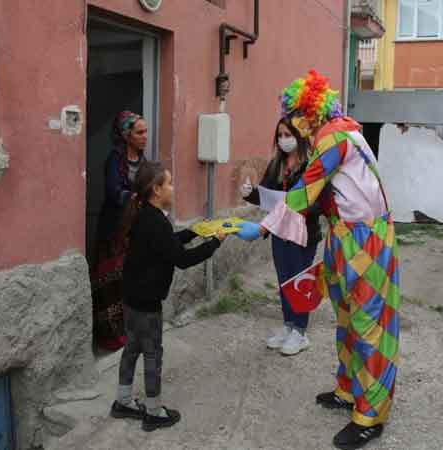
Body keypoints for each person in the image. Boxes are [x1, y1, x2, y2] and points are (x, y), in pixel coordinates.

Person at [235, 70, 400, 450]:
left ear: (310, 113)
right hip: (344, 237)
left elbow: (303, 192)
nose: (293, 128)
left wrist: (260, 229)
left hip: (366, 240)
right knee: (347, 319)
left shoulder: (336, 137)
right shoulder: (335, 136)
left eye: (296, 118)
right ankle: (348, 390)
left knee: (369, 324)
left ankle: (371, 415)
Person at [110, 161, 226, 432]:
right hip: (147, 302)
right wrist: (214, 243)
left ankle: (123, 401)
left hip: (132, 296)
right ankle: (153, 411)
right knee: (152, 354)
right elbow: (182, 259)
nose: (173, 188)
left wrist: (193, 231)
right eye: (169, 183)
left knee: (132, 348)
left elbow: (167, 243)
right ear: (156, 189)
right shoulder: (155, 221)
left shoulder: (144, 214)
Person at [240, 117, 322, 356]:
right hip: (279, 232)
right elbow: (266, 196)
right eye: (280, 135)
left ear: (299, 136)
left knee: (300, 282)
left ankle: (301, 332)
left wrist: (296, 206)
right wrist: (250, 194)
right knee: (285, 282)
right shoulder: (277, 164)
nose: (283, 140)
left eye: (288, 135)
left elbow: (320, 201)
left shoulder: (311, 165)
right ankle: (288, 326)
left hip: (303, 232)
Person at [91, 111, 148, 351]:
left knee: (130, 283)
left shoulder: (143, 160)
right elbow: (114, 191)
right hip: (113, 231)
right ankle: (111, 338)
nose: (145, 136)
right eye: (140, 132)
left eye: (146, 131)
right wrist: (136, 199)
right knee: (109, 284)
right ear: (126, 135)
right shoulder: (114, 159)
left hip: (133, 232)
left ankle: (130, 331)